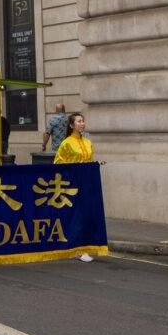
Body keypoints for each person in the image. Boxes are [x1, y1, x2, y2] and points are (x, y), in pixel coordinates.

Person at [54, 112, 97, 262]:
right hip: (72, 185)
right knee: (76, 215)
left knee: (86, 215)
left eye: (83, 121)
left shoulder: (88, 142)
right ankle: (78, 248)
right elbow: (58, 165)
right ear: (72, 125)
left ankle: (83, 246)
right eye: (79, 121)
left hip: (87, 184)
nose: (82, 123)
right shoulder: (66, 143)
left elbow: (91, 161)